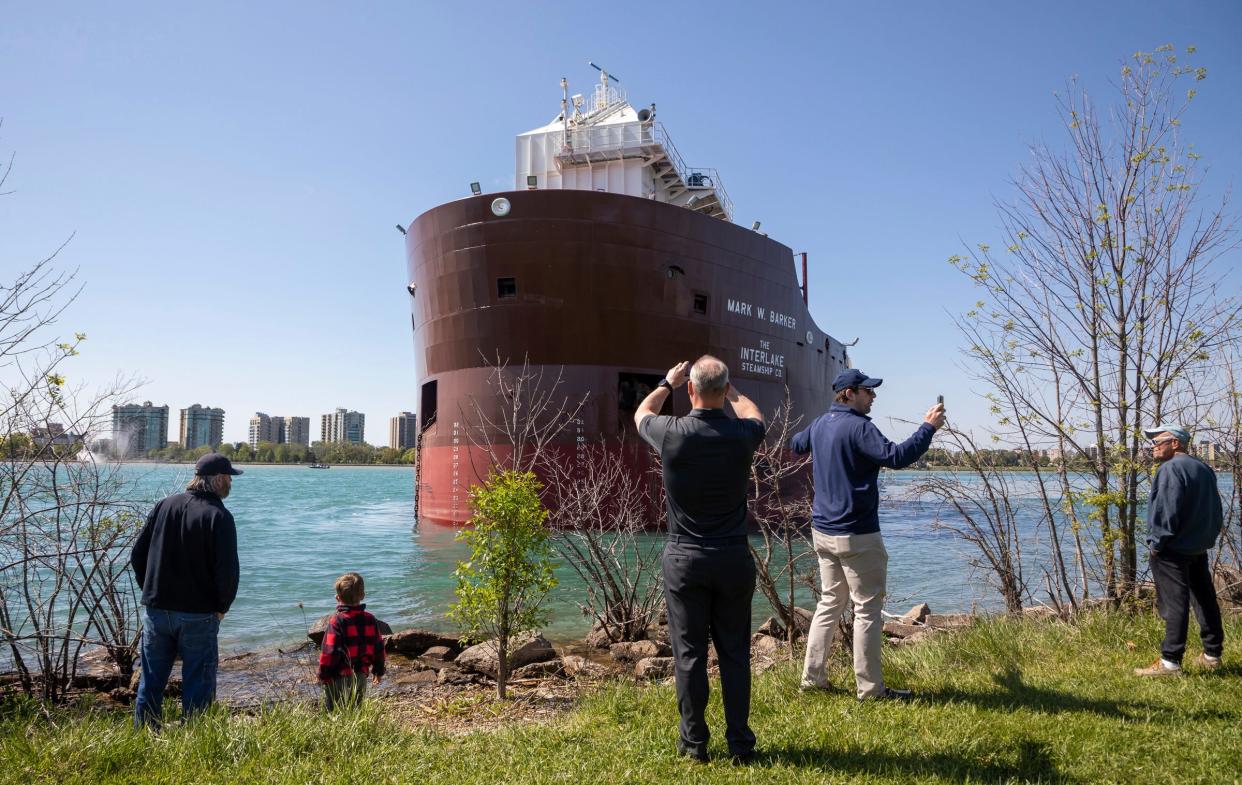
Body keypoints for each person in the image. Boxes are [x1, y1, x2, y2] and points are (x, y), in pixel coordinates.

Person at [635, 356, 765, 764]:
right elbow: (754, 414)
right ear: (724, 393)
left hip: (685, 559)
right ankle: (741, 745)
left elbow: (642, 413)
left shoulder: (672, 433)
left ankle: (694, 745)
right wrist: (736, 393)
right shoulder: (744, 434)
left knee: (689, 655)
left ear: (691, 390)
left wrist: (666, 382)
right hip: (732, 558)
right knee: (734, 654)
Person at [793, 369, 944, 701]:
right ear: (848, 393)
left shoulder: (821, 424)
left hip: (822, 532)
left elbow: (796, 444)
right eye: (868, 391)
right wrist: (928, 428)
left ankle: (812, 679)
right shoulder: (860, 428)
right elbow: (897, 457)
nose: (873, 396)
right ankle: (871, 691)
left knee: (830, 603)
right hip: (857, 534)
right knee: (866, 610)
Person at [131, 452, 241, 728]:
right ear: (216, 480)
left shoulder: (164, 506)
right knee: (198, 681)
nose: (231, 483)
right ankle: (195, 738)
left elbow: (137, 554)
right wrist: (221, 607)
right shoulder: (219, 516)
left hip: (157, 610)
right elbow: (227, 571)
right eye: (228, 477)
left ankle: (145, 733)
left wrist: (150, 590)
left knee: (151, 678)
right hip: (199, 613)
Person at [1133, 423, 1224, 676]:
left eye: (1157, 442)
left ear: (1176, 443)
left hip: (1172, 548)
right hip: (1197, 546)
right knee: (1204, 599)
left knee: (1174, 603)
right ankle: (1212, 654)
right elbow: (1215, 510)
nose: (1153, 447)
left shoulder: (1170, 469)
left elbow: (1165, 510)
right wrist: (1207, 538)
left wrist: (1157, 544)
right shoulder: (1204, 468)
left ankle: (1170, 662)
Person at [317, 572, 387, 708]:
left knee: (334, 711)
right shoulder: (370, 619)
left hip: (337, 677)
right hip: (360, 675)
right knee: (355, 709)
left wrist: (322, 674)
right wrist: (378, 671)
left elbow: (329, 652)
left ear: (338, 598)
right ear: (362, 596)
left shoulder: (337, 621)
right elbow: (379, 648)